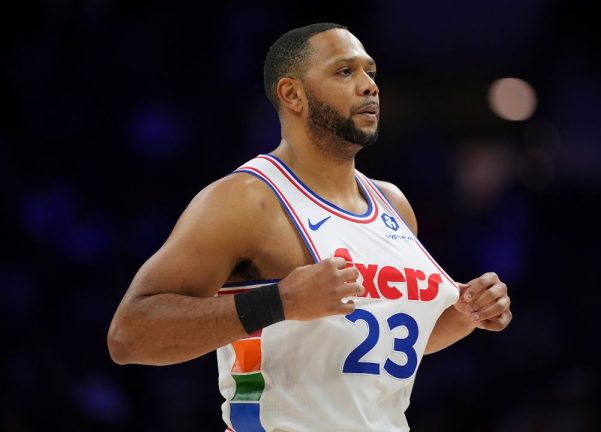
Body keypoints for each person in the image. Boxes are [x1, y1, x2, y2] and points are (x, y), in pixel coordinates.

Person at [107, 22, 512, 432]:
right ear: (292, 94)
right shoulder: (247, 200)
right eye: (344, 72)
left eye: (370, 72)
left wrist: (467, 314)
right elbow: (129, 335)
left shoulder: (394, 204)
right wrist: (280, 301)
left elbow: (378, 343)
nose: (369, 86)